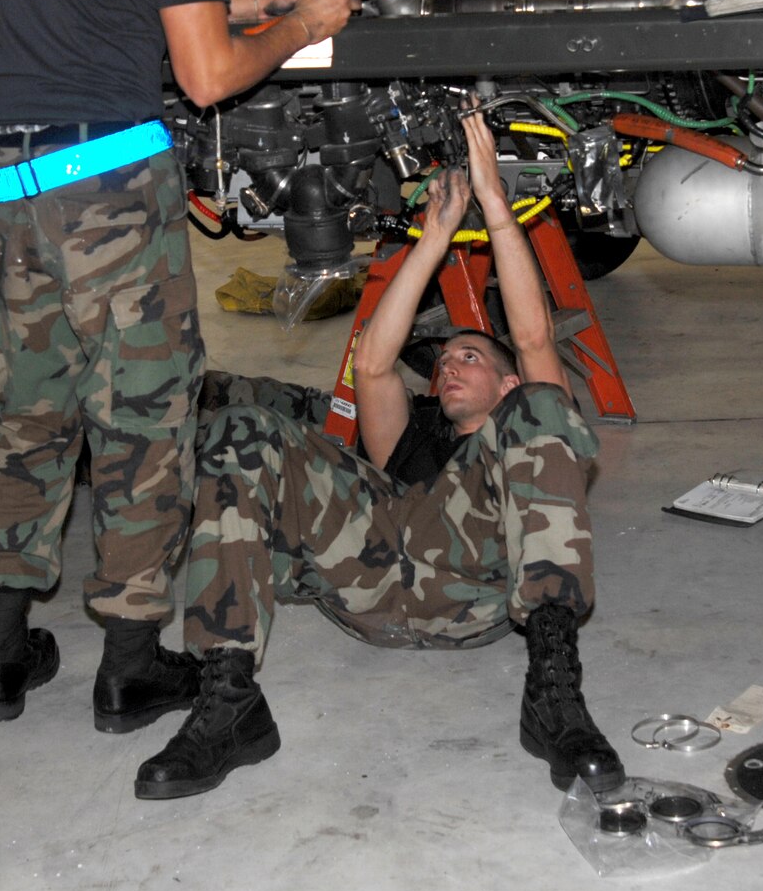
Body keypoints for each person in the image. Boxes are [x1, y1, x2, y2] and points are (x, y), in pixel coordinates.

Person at [0, 0, 358, 728]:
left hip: (7, 180)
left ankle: (2, 658)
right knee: (142, 420)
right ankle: (130, 664)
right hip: (102, 186)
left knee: (33, 412)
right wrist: (298, 25)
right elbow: (207, 76)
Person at [133, 111, 624, 799]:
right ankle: (229, 700)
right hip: (362, 572)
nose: (451, 365)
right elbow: (373, 364)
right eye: (447, 357)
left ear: (505, 380)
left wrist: (495, 210)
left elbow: (535, 337)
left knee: (546, 411)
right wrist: (432, 238)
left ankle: (554, 695)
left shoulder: (522, 414)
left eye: (473, 357)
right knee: (244, 426)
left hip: (469, 588)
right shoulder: (412, 432)